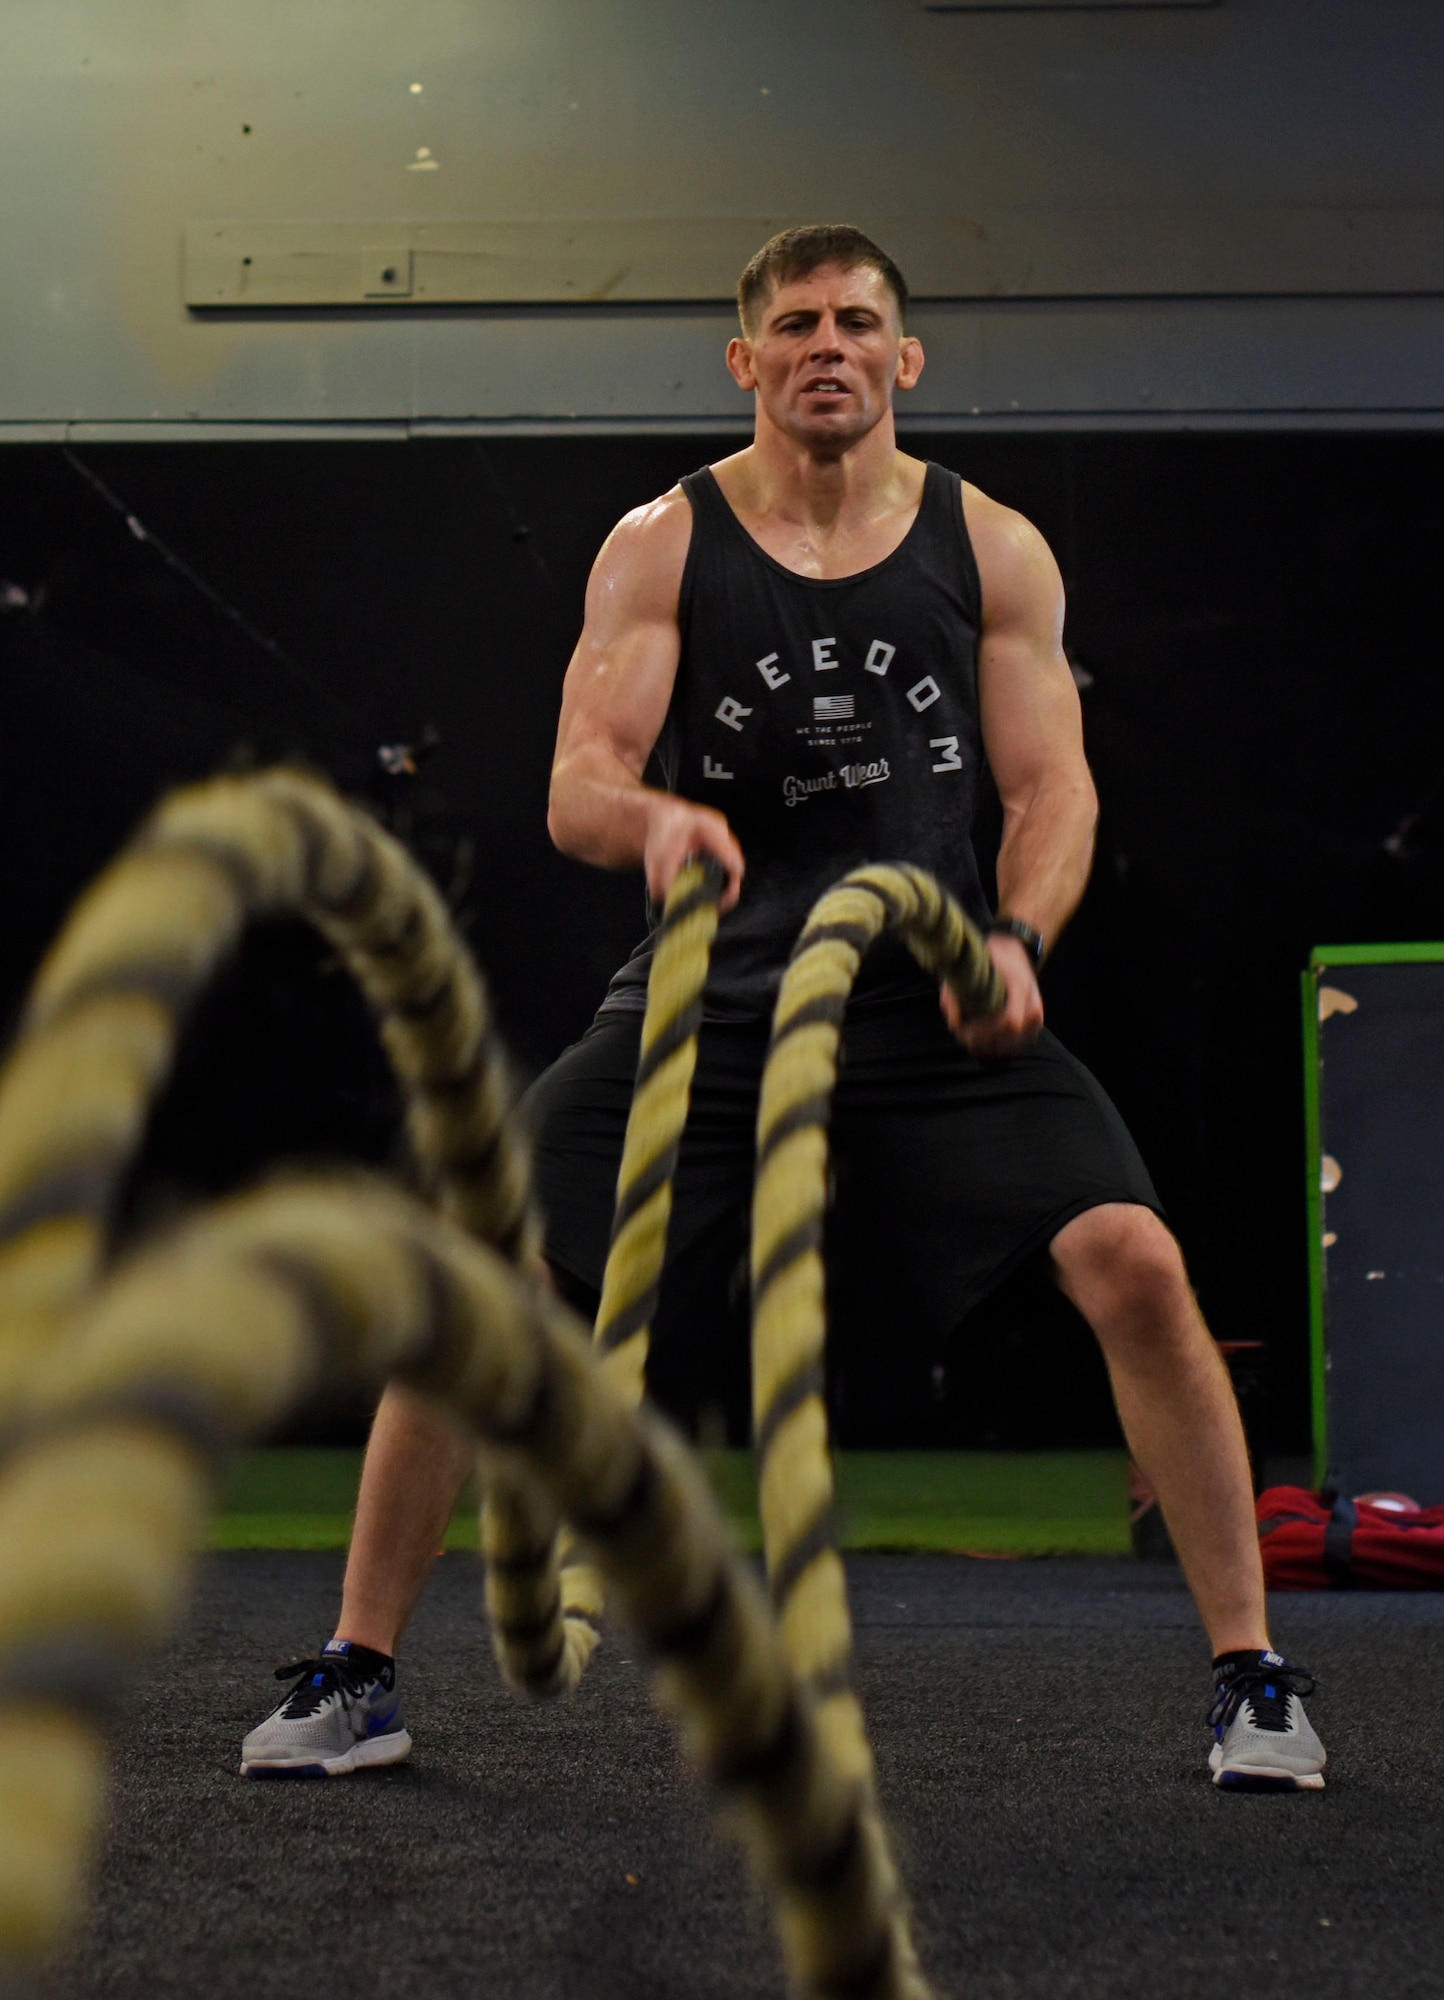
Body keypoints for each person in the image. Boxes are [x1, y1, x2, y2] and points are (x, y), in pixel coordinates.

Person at [240, 225, 1325, 1792]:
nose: (830, 344)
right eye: (798, 323)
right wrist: (652, 824)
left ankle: (1255, 1676)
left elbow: (1052, 785)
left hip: (927, 993)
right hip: (712, 992)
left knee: (1135, 1260)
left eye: (859, 322)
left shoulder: (993, 547)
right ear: (745, 361)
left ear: (906, 358)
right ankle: (360, 1671)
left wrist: (1019, 935)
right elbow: (576, 783)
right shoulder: (661, 543)